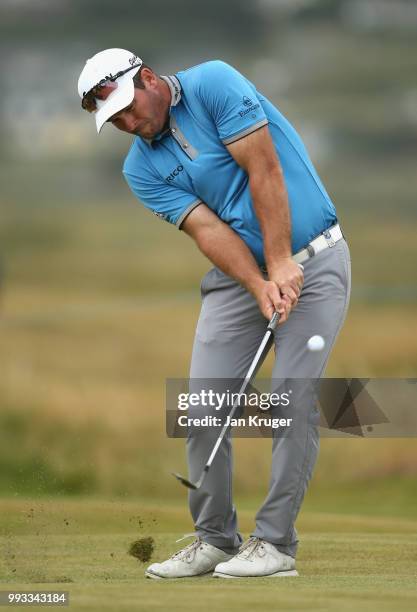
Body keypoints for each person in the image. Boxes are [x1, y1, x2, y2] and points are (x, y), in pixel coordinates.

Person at [78, 48, 351, 579]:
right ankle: (215, 539)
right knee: (202, 403)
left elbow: (264, 168)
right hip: (238, 279)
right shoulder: (140, 168)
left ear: (149, 79)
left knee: (290, 402)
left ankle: (274, 545)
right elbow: (207, 230)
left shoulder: (215, 84)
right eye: (116, 122)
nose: (130, 124)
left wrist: (279, 263)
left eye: (130, 108)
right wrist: (257, 282)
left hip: (314, 261)